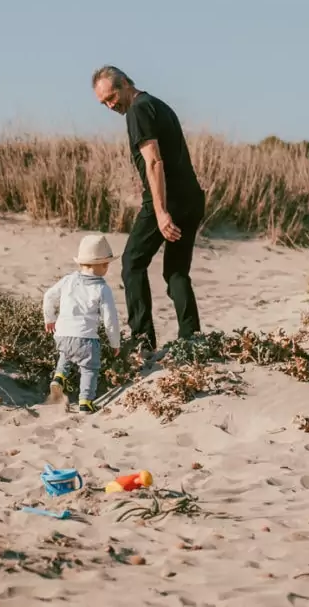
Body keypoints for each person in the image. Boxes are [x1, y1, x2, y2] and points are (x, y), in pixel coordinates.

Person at [91, 65, 205, 354]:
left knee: (132, 263)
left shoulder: (137, 110)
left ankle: (142, 340)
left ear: (126, 83)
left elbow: (154, 162)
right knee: (176, 272)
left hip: (169, 201)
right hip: (192, 198)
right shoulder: (157, 105)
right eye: (103, 102)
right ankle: (191, 339)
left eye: (112, 96)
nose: (110, 105)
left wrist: (161, 211)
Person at [43, 233, 120, 413]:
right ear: (100, 265)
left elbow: (48, 296)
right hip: (86, 339)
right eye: (106, 264)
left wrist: (50, 318)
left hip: (62, 334)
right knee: (89, 369)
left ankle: (59, 377)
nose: (107, 267)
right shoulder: (102, 288)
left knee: (66, 353)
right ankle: (85, 401)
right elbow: (110, 319)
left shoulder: (68, 280)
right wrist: (115, 342)